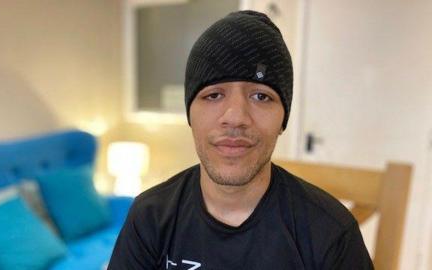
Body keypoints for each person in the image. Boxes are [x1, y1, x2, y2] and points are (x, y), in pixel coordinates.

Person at [107, 10, 373, 270]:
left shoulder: (331, 233)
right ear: (190, 114)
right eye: (213, 95)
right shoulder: (149, 218)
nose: (235, 117)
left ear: (283, 119)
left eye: (261, 96)